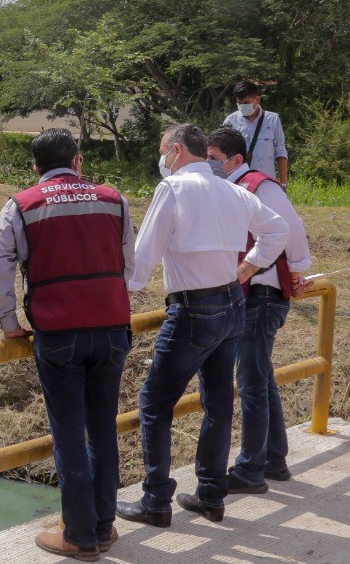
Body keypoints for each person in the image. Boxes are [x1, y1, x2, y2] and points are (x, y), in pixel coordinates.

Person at [118, 124, 288, 528]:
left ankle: (156, 500)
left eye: (162, 151)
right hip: (233, 302)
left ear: (175, 152)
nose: (162, 160)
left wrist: (119, 297)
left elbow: (141, 260)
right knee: (218, 403)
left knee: (154, 404)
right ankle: (211, 494)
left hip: (193, 309)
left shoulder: (173, 189)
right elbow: (277, 230)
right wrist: (247, 267)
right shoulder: (233, 190)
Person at [0, 128, 134, 561]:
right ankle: (104, 528)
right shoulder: (113, 199)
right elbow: (130, 260)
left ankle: (80, 537)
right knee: (103, 428)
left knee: (69, 435)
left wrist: (9, 322)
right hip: (111, 328)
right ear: (78, 160)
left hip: (58, 332)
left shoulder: (22, 204)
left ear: (35, 167)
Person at [206, 127, 313, 493]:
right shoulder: (232, 187)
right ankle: (274, 460)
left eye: (214, 159)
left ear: (236, 160)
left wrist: (296, 268)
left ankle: (250, 470)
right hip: (253, 295)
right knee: (261, 379)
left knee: (251, 383)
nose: (209, 166)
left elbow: (290, 228)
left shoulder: (258, 185)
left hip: (261, 295)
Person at [222, 80, 289, 185]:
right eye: (239, 103)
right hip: (240, 184)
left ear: (257, 99)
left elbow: (280, 152)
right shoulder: (230, 121)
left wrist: (283, 184)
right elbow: (223, 154)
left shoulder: (273, 120)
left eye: (246, 103)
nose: (242, 106)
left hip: (266, 183)